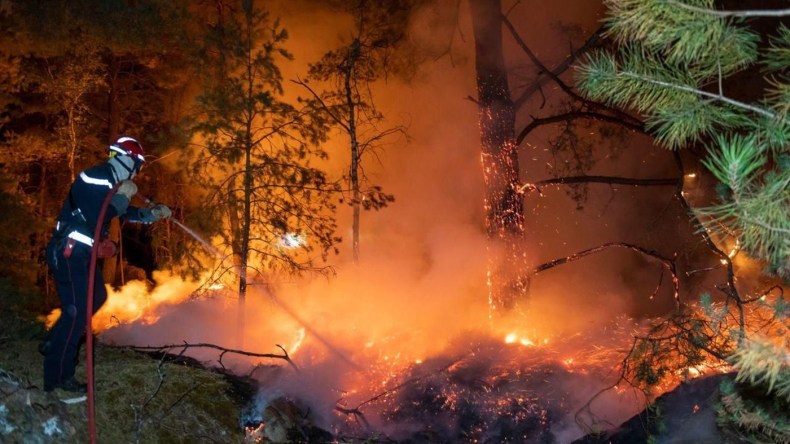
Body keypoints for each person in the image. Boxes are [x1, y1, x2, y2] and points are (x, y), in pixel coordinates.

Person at [41, 136, 172, 393]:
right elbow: (98, 215)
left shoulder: (111, 183)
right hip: (68, 252)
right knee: (77, 313)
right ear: (128, 160)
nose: (138, 172)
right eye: (138, 165)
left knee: (97, 297)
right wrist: (122, 196)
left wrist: (151, 214)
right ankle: (57, 379)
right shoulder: (96, 177)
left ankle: (53, 341)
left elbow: (123, 212)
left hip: (82, 255)